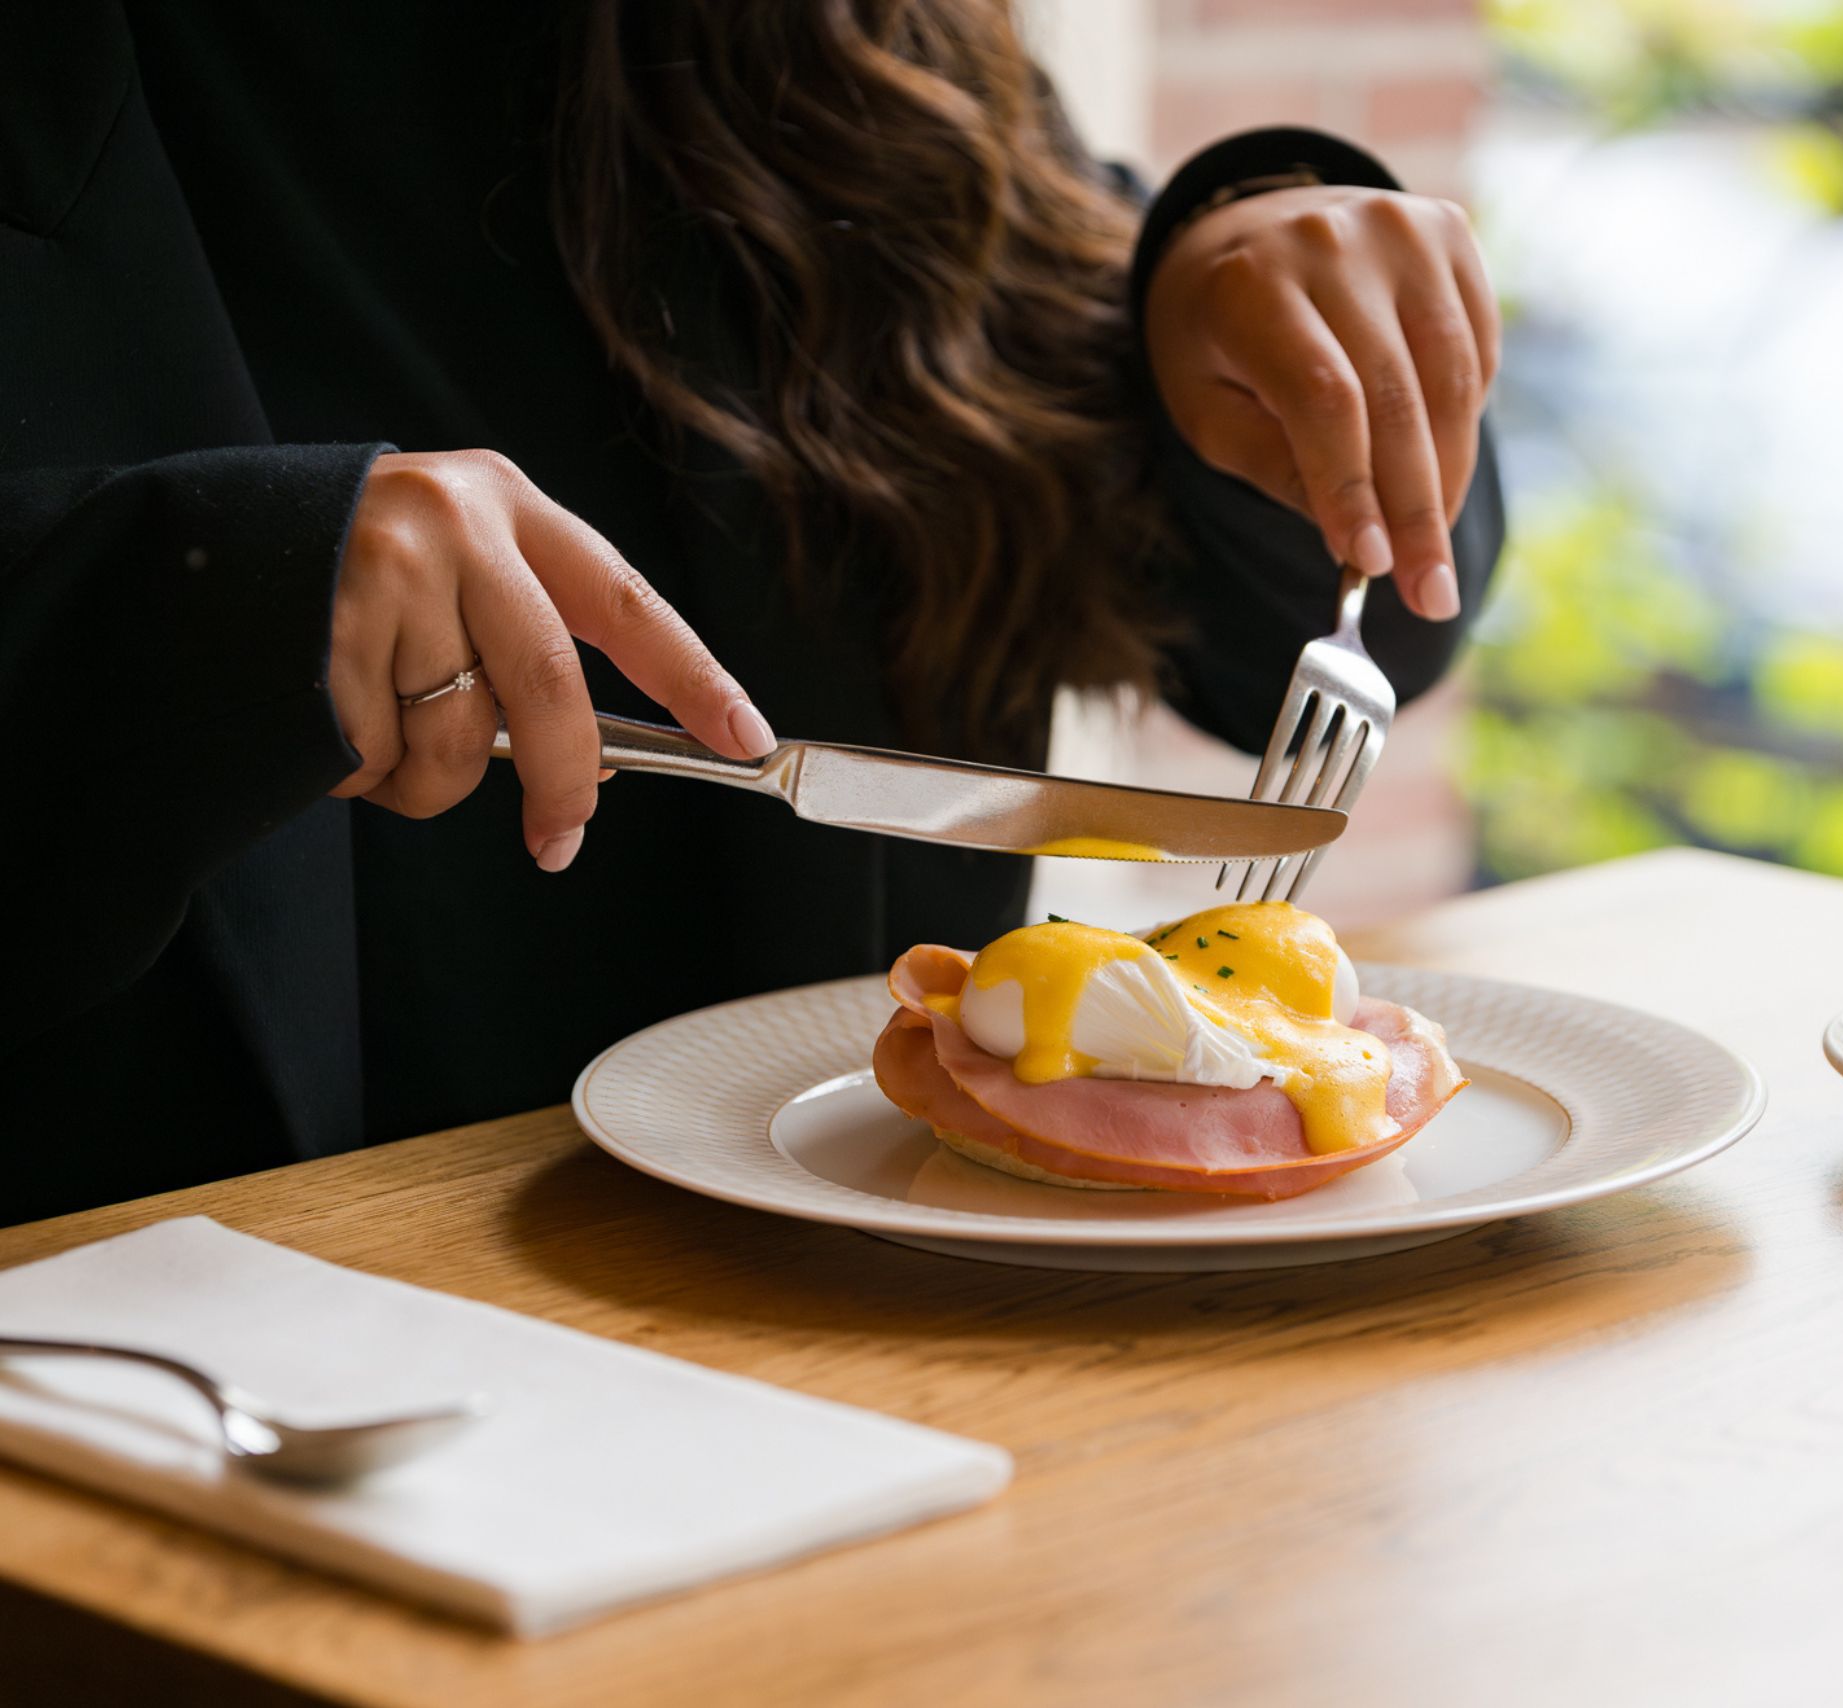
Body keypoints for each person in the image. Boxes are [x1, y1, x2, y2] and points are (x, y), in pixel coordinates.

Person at [0, 2, 1504, 1223]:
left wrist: (1260, 282)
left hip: (836, 1339)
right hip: (168, 1379)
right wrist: (189, 593)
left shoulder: (817, 48)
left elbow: (1294, 640)